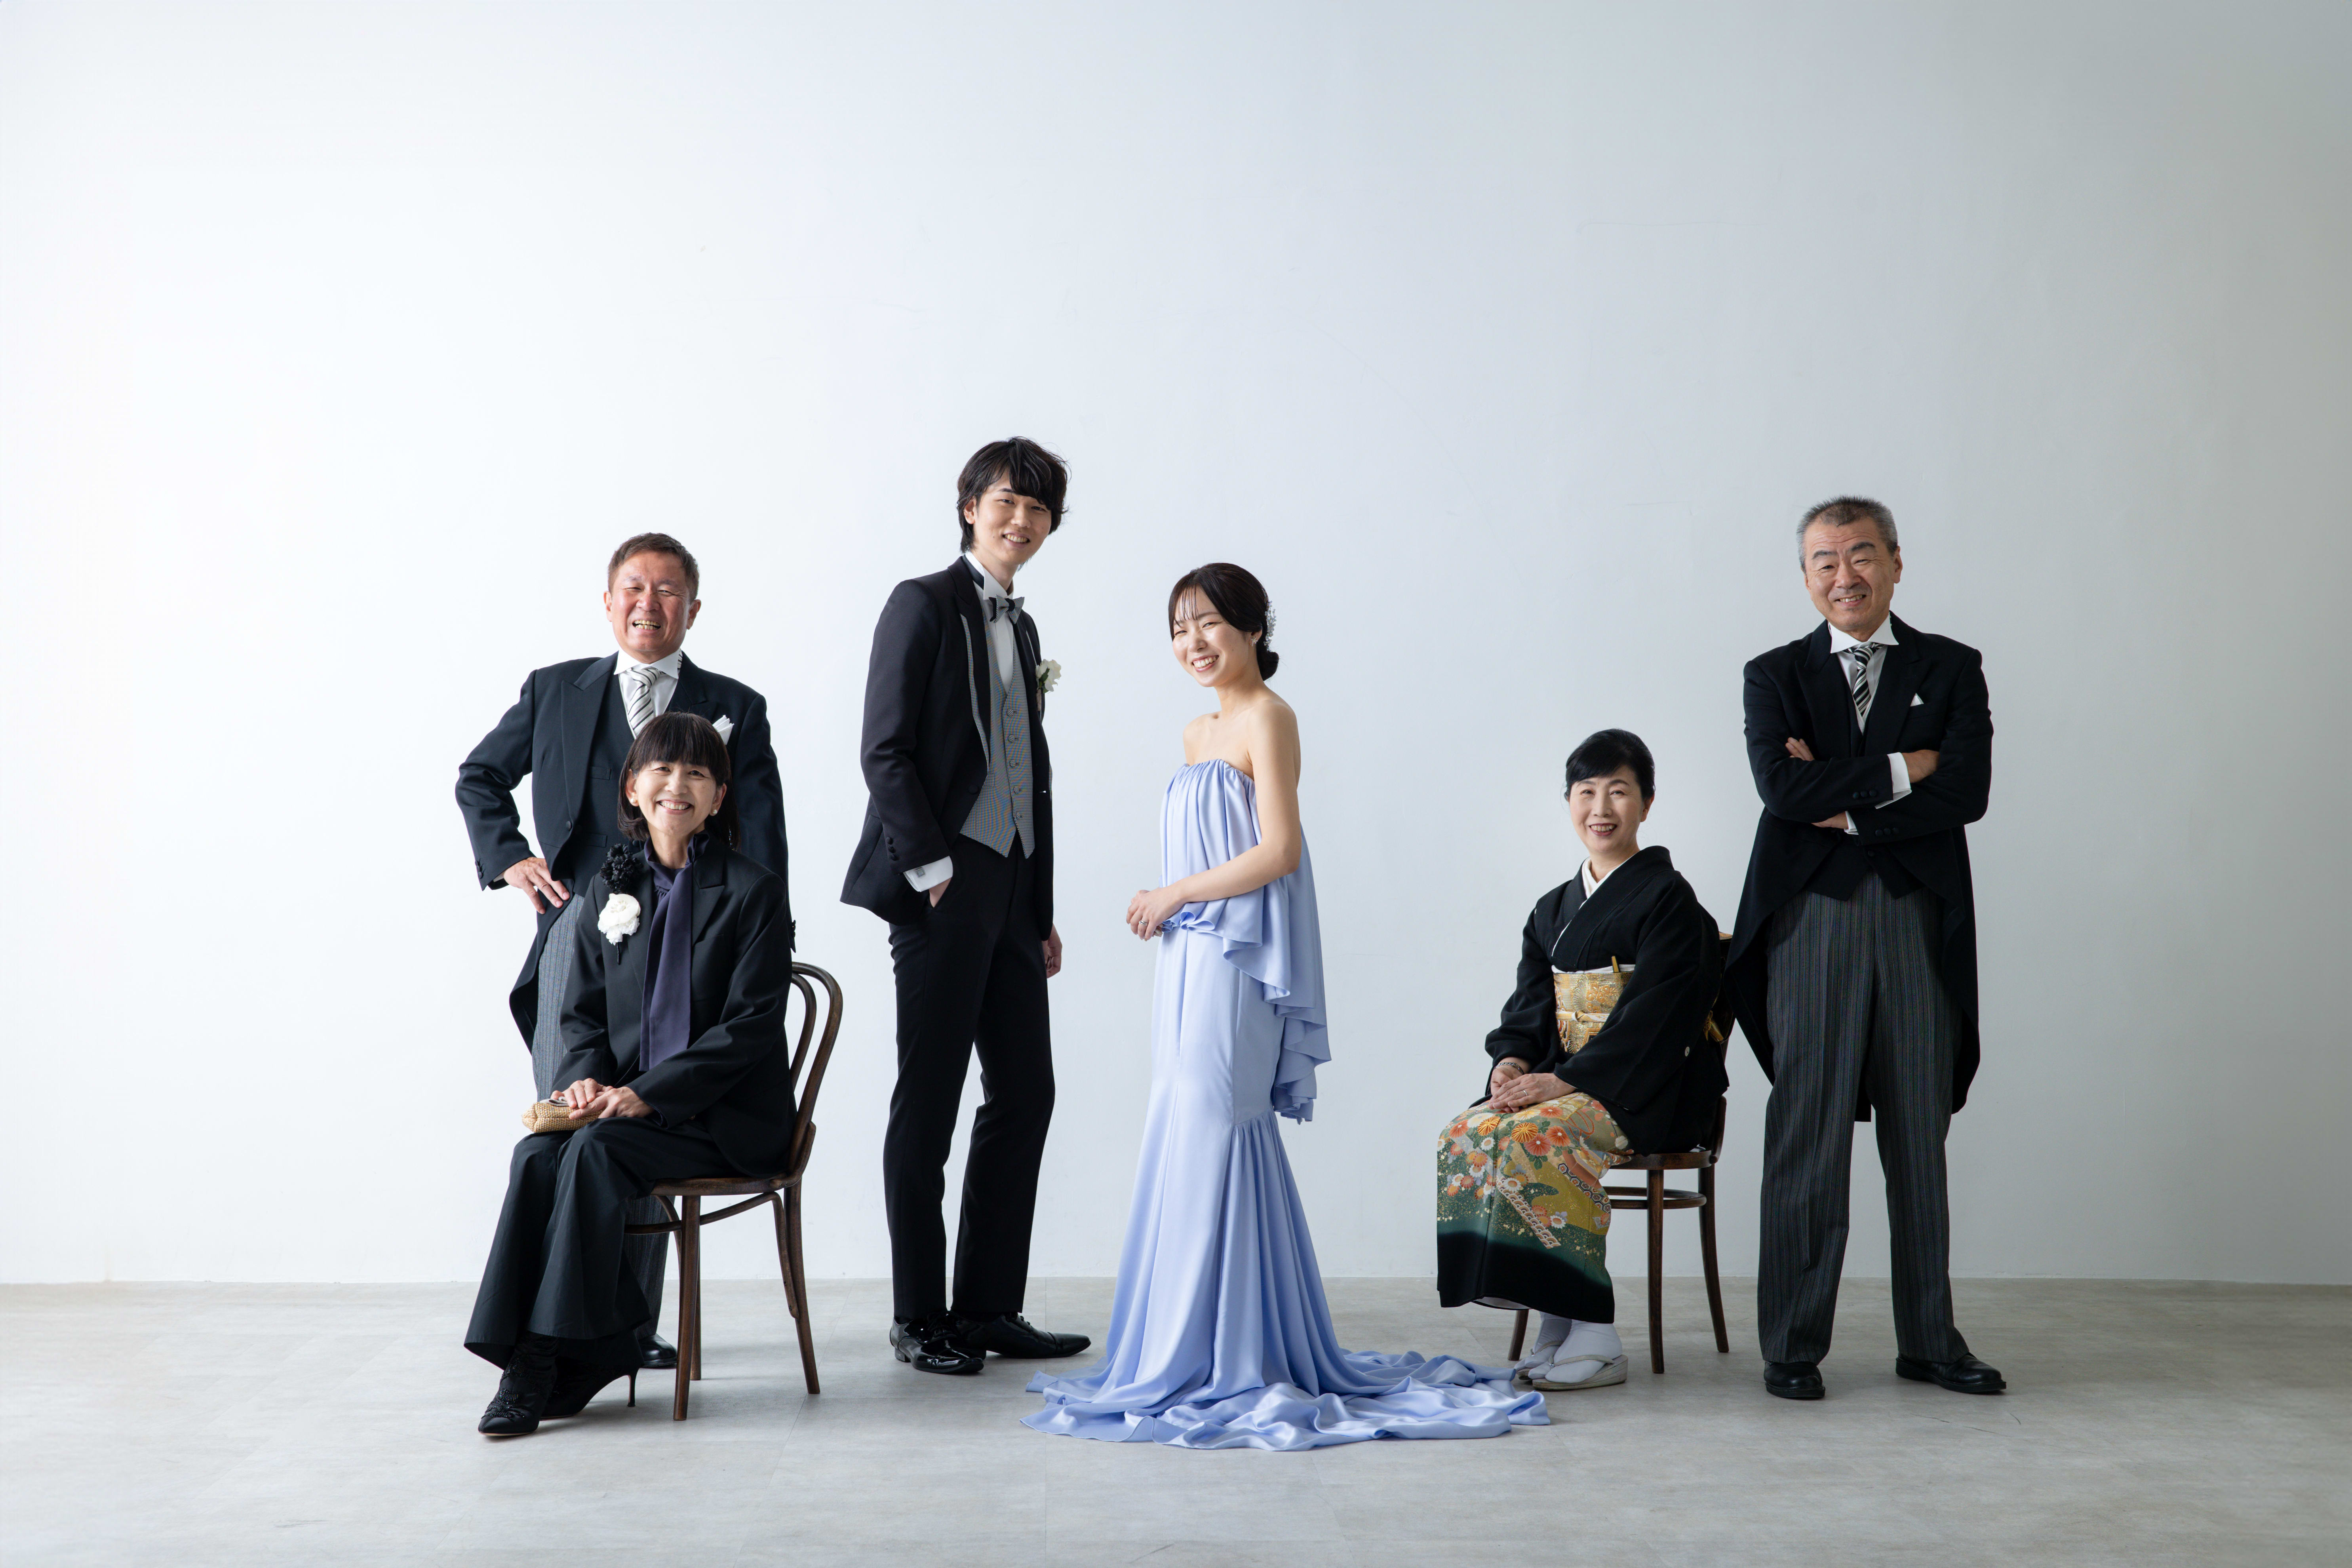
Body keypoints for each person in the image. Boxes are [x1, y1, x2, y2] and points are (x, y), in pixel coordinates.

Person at [1024, 564, 1544, 1447]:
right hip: (1190, 955)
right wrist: (1175, 904)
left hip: (1238, 960)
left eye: (1209, 623)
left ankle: (1235, 1349)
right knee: (1187, 1123)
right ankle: (1199, 1341)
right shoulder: (1195, 732)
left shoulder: (1269, 716)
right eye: (1179, 628)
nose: (1193, 642)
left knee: (1220, 1123)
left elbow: (1279, 851)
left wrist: (1174, 893)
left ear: (1254, 629)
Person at [455, 532, 790, 1372]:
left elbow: (761, 829)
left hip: (698, 937)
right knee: (574, 1122)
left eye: (668, 590)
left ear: (693, 609)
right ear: (608, 603)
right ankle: (573, 1322)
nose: (649, 603)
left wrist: (761, 938)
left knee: (638, 1125)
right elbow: (479, 776)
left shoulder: (735, 704)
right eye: (633, 588)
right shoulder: (554, 690)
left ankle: (628, 1326)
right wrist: (511, 857)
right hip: (580, 942)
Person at [1728, 496, 2004, 1401]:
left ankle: (1930, 1342)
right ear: (1806, 576)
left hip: (1919, 918)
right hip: (1812, 921)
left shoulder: (1951, 667)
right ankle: (1791, 1346)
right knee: (1807, 1133)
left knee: (1919, 1135)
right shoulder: (1774, 675)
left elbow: (1967, 791)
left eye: (1860, 555)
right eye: (1824, 560)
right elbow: (1782, 790)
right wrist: (1905, 767)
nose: (1844, 576)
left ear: (1894, 561)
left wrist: (1844, 803)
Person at [466, 712, 797, 1436]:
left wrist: (647, 1094)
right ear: (632, 787)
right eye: (662, 770)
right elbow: (580, 1013)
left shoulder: (755, 891)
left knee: (592, 1153)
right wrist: (586, 1080)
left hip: (721, 1116)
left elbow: (749, 1028)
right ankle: (560, 1348)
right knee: (537, 1154)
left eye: (697, 774)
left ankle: (543, 1360)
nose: (677, 785)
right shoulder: (608, 888)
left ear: (718, 797)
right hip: (621, 1106)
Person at [843, 438, 1087, 1375]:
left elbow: (1025, 765)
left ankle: (986, 1307)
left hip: (1013, 890)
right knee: (931, 1101)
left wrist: (1037, 902)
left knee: (1026, 1093)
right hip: (941, 888)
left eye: (1039, 508)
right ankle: (918, 1316)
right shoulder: (921, 603)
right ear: (970, 506)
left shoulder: (1022, 628)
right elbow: (885, 748)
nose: (1021, 519)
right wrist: (932, 868)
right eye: (1006, 501)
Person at [1435, 729, 1727, 1390]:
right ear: (1568, 801)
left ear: (1647, 804)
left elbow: (1656, 1022)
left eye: (1619, 792)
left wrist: (1562, 1081)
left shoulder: (1671, 902)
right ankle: (1555, 1319)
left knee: (1538, 1135)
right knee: (1468, 1130)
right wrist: (1513, 1063)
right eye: (1587, 792)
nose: (1601, 808)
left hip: (1649, 1090)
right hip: (1568, 1085)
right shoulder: (1552, 910)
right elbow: (1529, 1010)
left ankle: (1597, 1332)